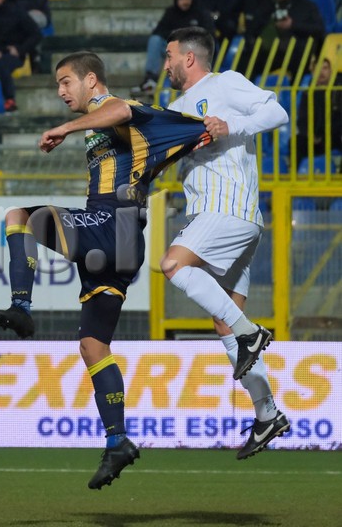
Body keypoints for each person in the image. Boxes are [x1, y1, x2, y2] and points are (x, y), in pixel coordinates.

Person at [0, 51, 213, 489]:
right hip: (122, 245)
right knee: (93, 345)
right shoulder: (119, 130)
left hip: (114, 225)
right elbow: (172, 138)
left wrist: (66, 129)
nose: (60, 91)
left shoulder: (114, 109)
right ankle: (117, 441)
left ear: (91, 80)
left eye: (65, 81)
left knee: (19, 217)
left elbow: (123, 110)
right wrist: (201, 134)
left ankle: (21, 307)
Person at [160, 26, 291, 458]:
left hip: (227, 207)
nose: (165, 64)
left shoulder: (225, 83)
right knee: (224, 322)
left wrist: (229, 124)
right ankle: (267, 414)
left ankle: (251, 333)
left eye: (169, 56)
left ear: (189, 58)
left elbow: (277, 113)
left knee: (173, 265)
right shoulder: (174, 109)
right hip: (224, 218)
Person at [131, 0, 216, 95]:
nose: (185, 1)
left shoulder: (201, 13)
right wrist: (174, 35)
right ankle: (151, 79)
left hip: (193, 53)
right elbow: (158, 31)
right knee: (155, 40)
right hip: (175, 50)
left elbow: (208, 35)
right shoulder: (171, 13)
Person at [243, 0, 325, 77]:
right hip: (266, 51)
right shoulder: (266, 5)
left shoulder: (306, 6)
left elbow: (319, 29)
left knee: (301, 54)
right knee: (247, 56)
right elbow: (254, 26)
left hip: (296, 52)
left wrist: (293, 25)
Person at [295, 56, 342, 162]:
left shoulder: (339, 90)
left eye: (325, 68)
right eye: (317, 69)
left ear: (331, 71)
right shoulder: (308, 93)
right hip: (314, 138)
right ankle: (298, 171)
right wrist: (310, 134)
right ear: (313, 72)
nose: (321, 72)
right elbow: (302, 119)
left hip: (334, 136)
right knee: (297, 142)